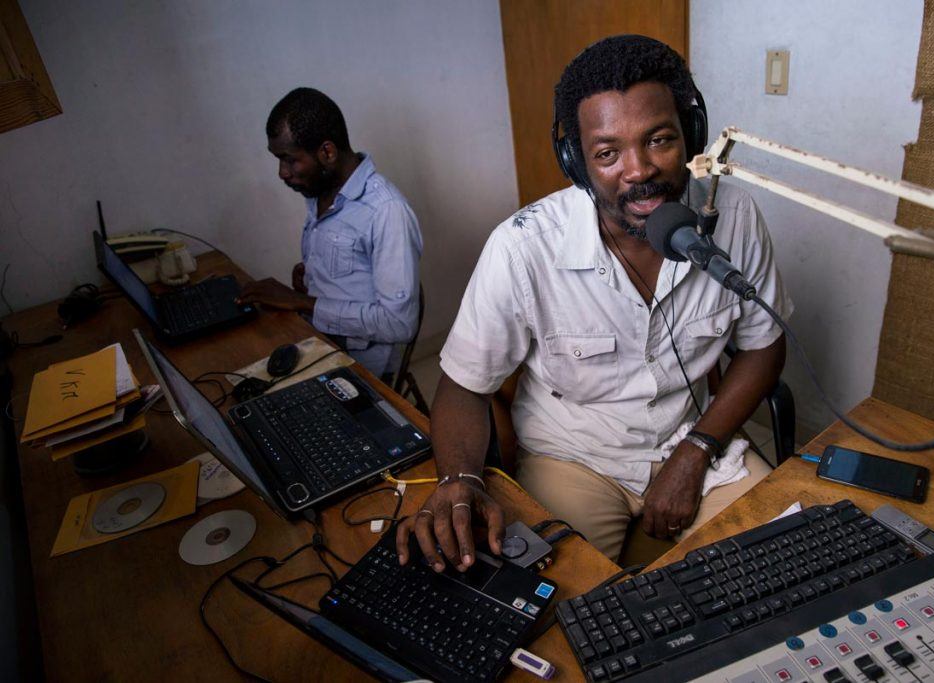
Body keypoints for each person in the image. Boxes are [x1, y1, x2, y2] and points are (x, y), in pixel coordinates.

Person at [396, 35, 792, 571]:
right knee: (547, 602)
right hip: (574, 458)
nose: (638, 170)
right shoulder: (522, 247)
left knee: (789, 566)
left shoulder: (735, 217)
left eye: (659, 140)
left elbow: (763, 347)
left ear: (690, 135)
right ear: (577, 162)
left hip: (694, 439)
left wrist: (697, 450)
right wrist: (459, 480)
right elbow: (465, 386)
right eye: (608, 153)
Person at [239, 87, 423, 378]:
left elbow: (398, 323)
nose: (282, 173)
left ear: (327, 152)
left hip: (361, 369)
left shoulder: (387, 211)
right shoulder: (319, 192)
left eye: (289, 159)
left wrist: (302, 302)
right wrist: (314, 276)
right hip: (320, 338)